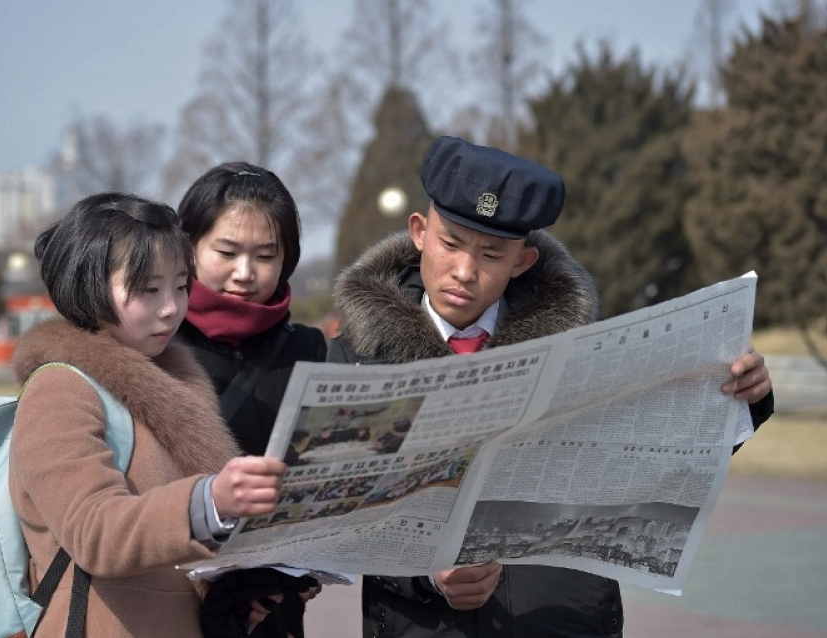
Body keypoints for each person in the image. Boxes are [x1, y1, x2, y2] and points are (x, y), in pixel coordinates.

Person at [327, 136, 775, 638]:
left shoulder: (588, 352)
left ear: (522, 262)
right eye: (450, 243)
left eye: (492, 254)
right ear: (419, 232)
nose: (464, 272)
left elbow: (656, 461)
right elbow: (341, 517)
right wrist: (427, 576)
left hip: (563, 619)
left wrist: (743, 397)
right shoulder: (357, 360)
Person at [8, 192, 288, 637]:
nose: (171, 307)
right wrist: (210, 499)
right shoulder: (59, 389)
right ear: (88, 284)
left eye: (180, 286)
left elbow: (173, 548)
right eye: (147, 289)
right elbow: (95, 533)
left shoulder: (172, 381)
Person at [175, 162, 328, 637]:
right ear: (189, 249)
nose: (245, 273)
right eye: (226, 251)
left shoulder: (310, 351)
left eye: (265, 255)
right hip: (167, 608)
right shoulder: (156, 345)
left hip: (274, 612)